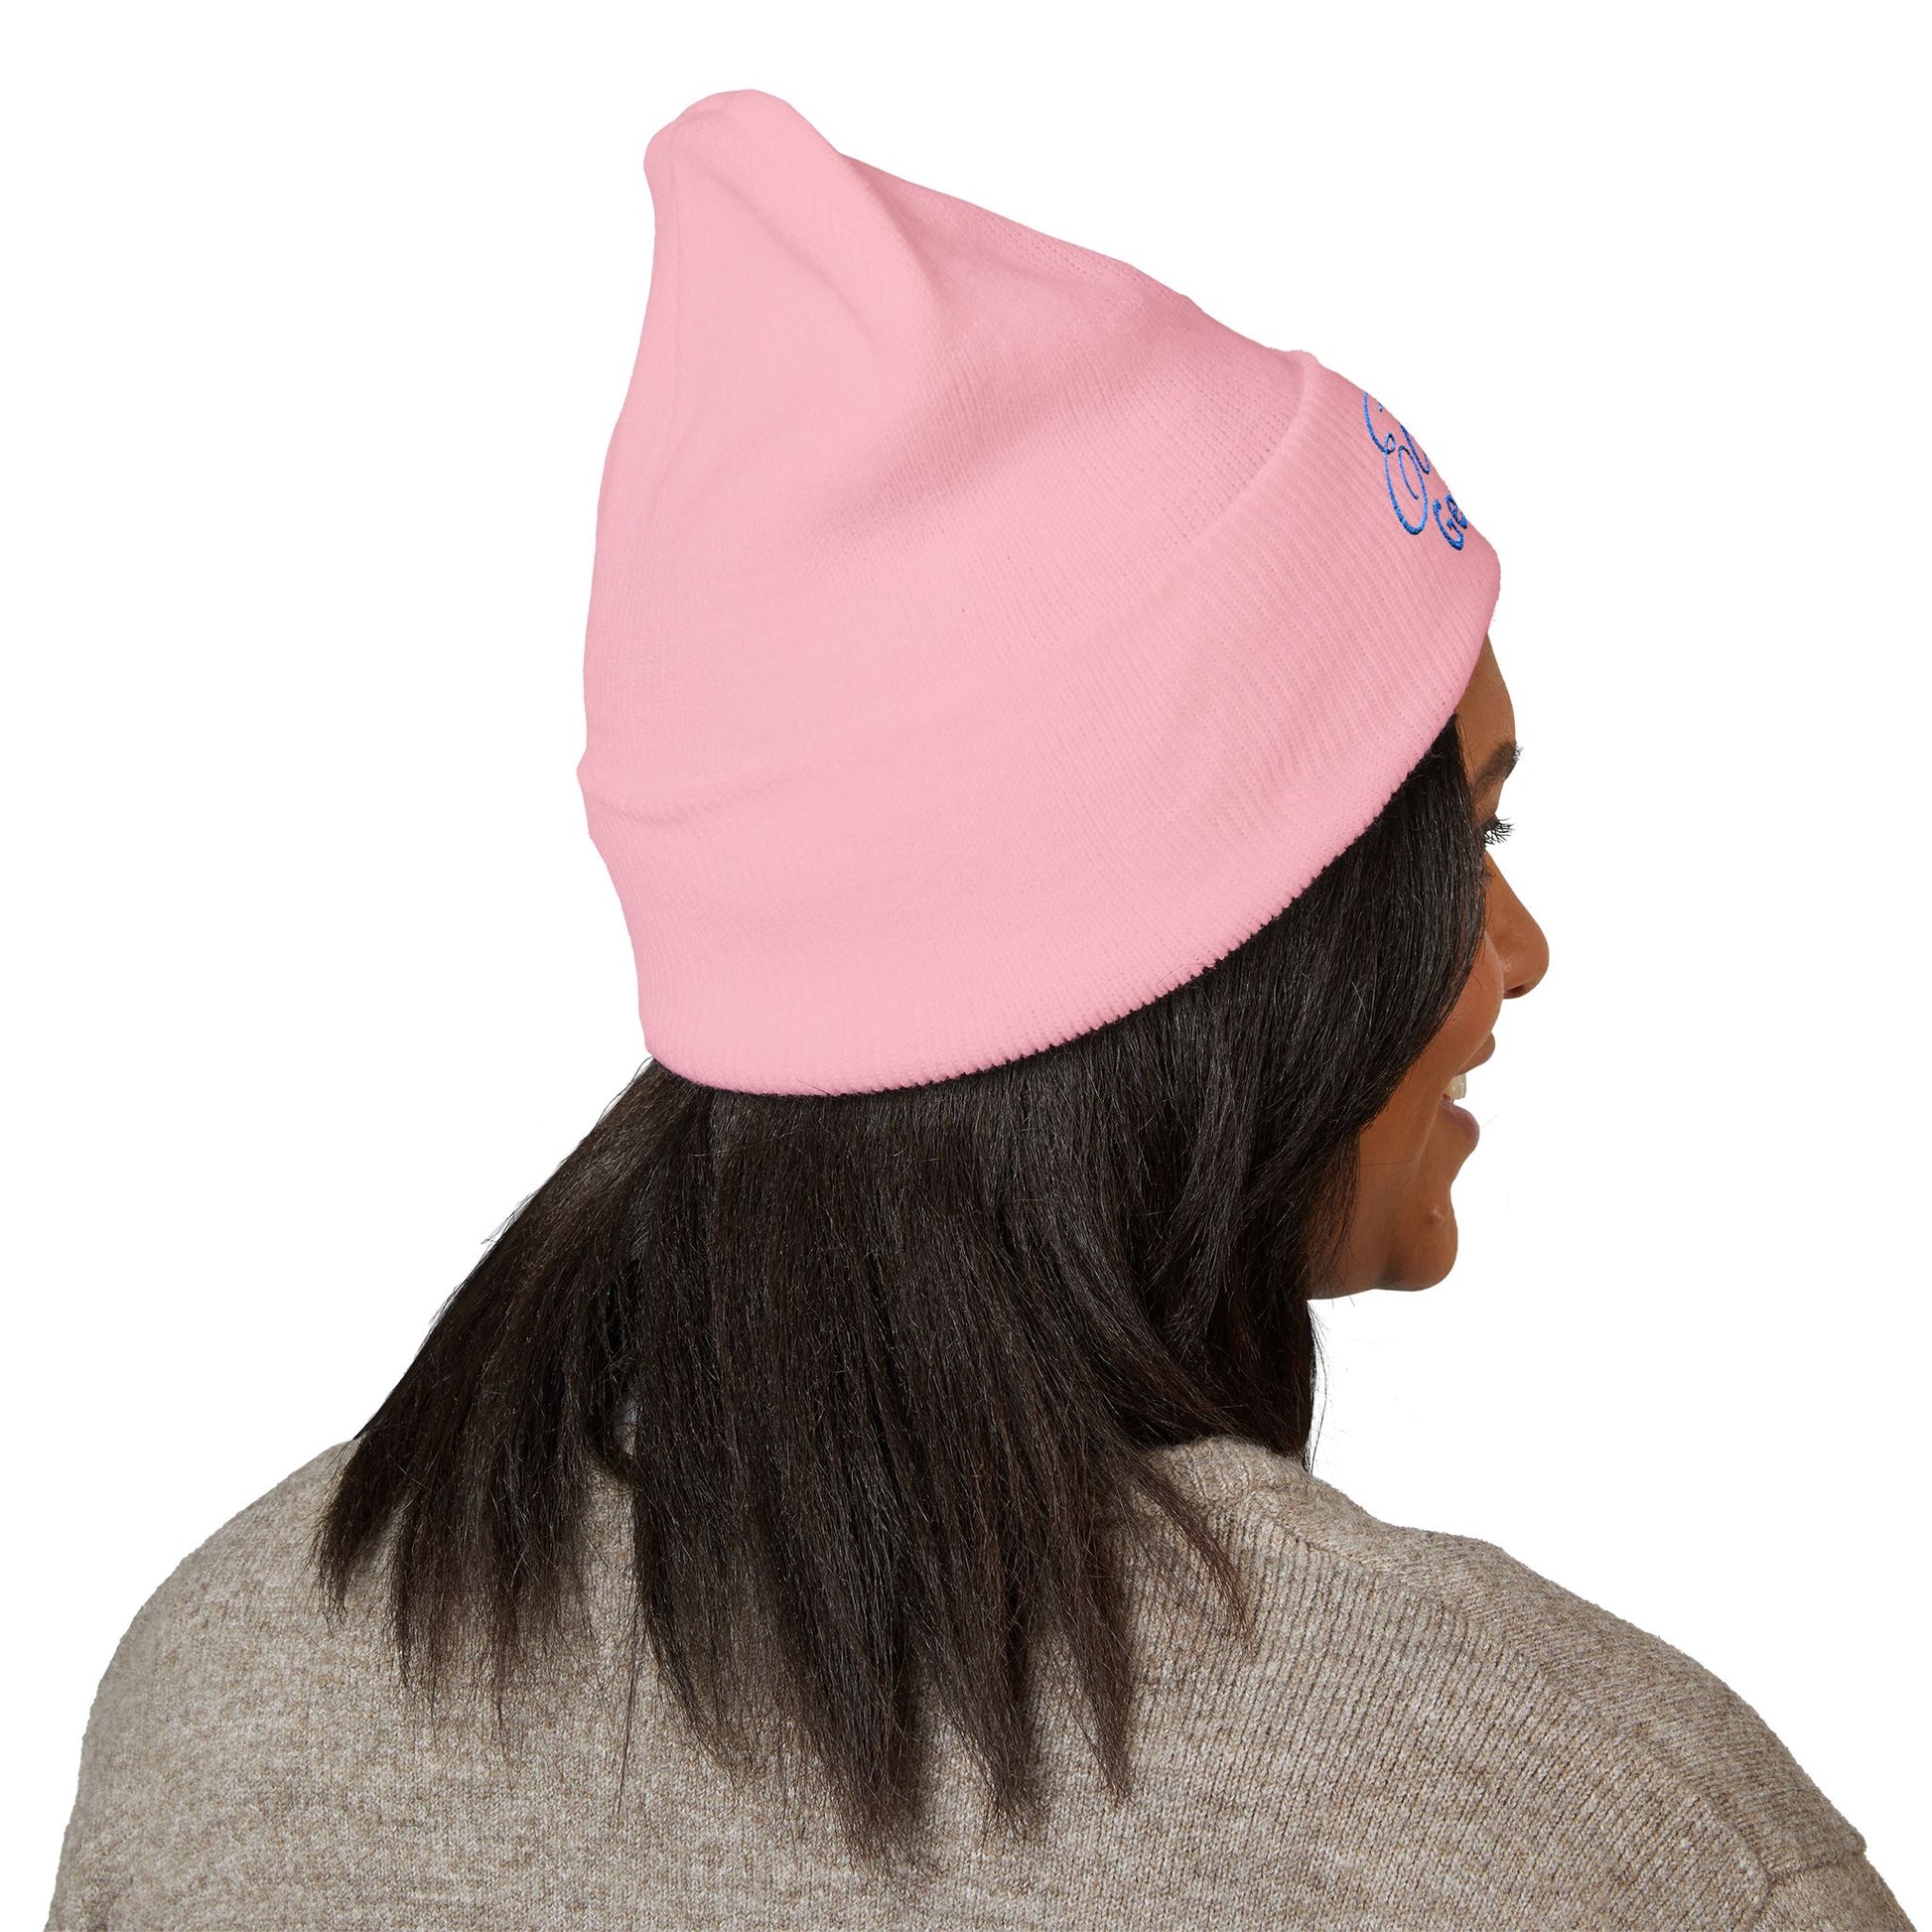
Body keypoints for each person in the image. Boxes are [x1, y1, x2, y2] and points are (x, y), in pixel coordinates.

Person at [45, 87, 1913, 1931]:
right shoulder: (1573, 1831)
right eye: (1460, 839)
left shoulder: (224, 1705)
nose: (1515, 946)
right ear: (1219, 948)